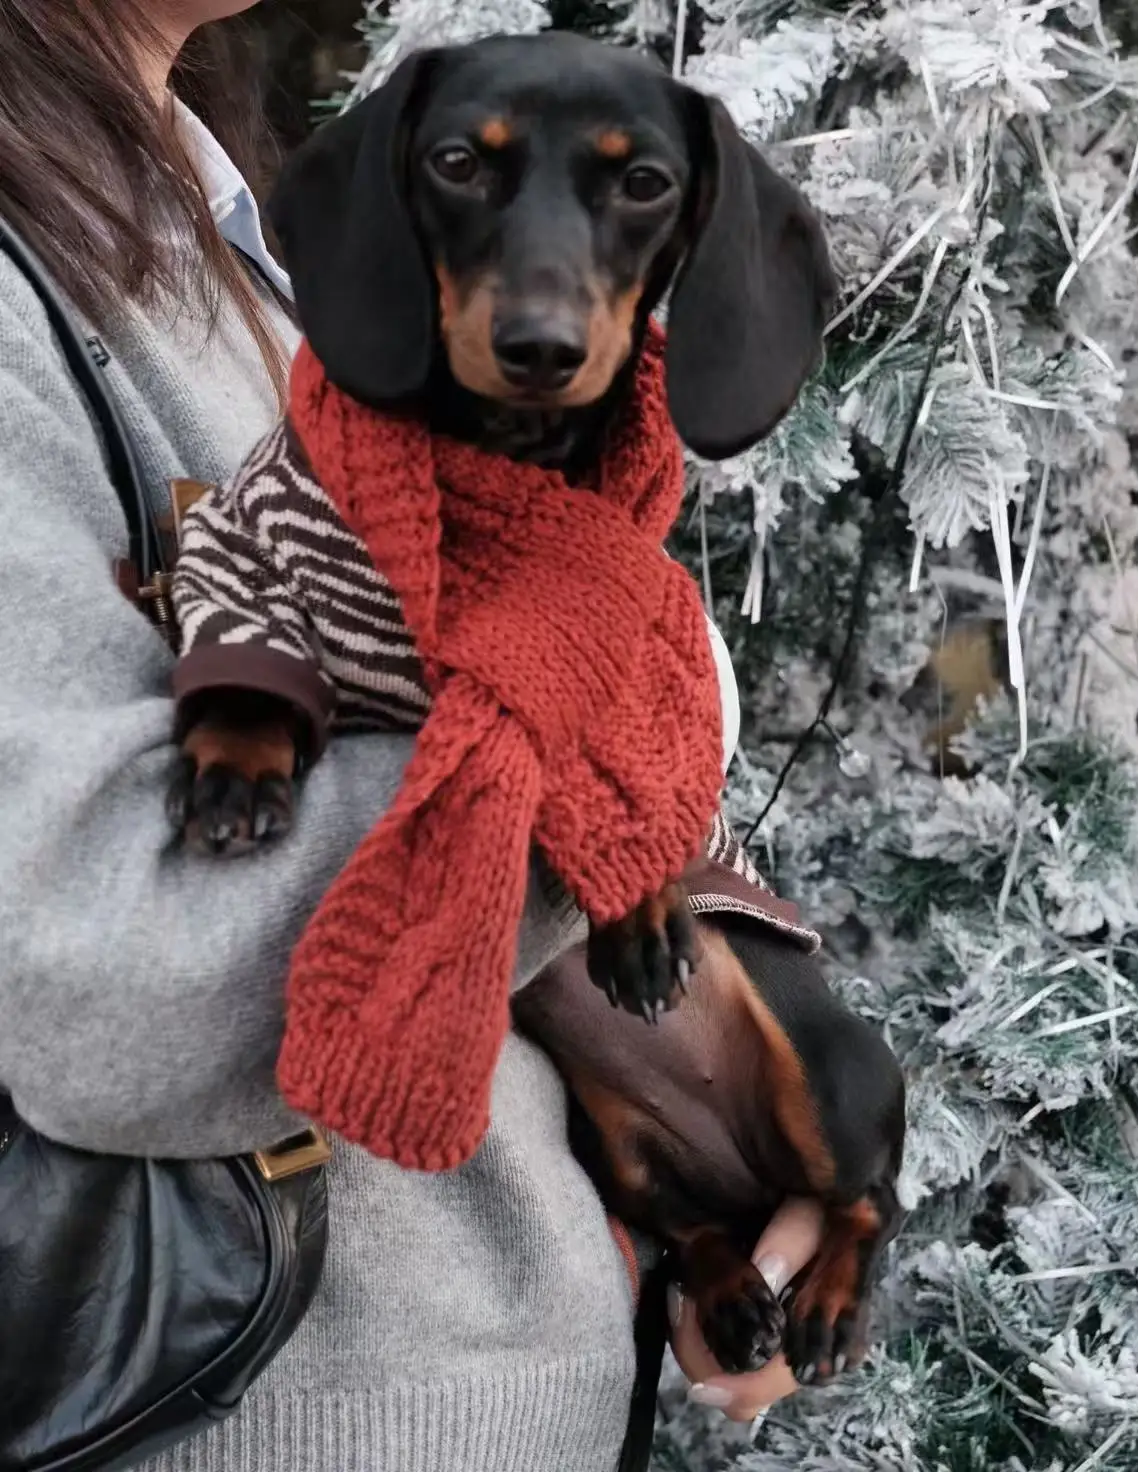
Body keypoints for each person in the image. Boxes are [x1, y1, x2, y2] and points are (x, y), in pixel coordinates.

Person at [0, 2, 825, 1467]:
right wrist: (614, 696)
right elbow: (92, 979)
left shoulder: (254, 235)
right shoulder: (26, 294)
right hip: (258, 1432)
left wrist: (728, 1147)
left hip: (524, 1397)